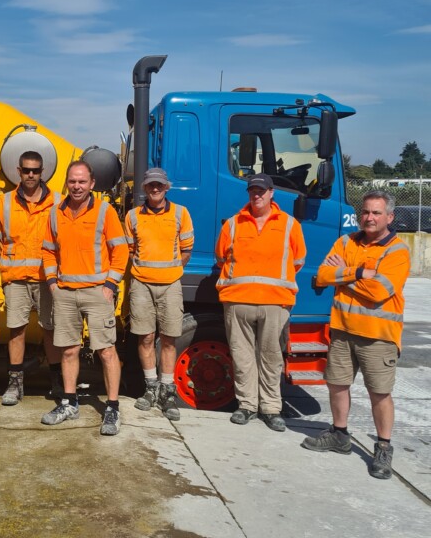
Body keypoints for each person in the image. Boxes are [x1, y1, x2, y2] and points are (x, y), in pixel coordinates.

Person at [302, 190, 410, 480]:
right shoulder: (346, 240)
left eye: (376, 213)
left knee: (379, 393)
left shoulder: (397, 251)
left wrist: (345, 274)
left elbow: (378, 293)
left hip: (378, 335)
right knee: (337, 384)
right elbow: (322, 276)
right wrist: (362, 272)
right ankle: (339, 435)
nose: (369, 218)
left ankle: (383, 447)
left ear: (390, 216)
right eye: (365, 212)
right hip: (342, 330)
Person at [40, 160, 129, 435]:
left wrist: (110, 285)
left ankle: (112, 408)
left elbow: (120, 250)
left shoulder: (105, 211)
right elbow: (47, 252)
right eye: (72, 181)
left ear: (91, 184)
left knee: (106, 351)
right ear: (66, 183)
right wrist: (53, 283)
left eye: (82, 181)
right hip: (65, 292)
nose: (76, 186)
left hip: (97, 291)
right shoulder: (55, 213)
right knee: (68, 350)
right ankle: (69, 403)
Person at [215, 173, 305, 432]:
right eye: (253, 191)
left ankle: (271, 408)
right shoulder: (233, 224)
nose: (257, 195)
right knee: (242, 356)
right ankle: (246, 406)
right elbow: (222, 258)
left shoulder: (289, 225)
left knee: (271, 357)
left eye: (261, 191)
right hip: (237, 300)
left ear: (271, 193)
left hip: (275, 303)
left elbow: (298, 261)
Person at [0, 151, 62, 405]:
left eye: (36, 170)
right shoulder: (3, 203)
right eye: (27, 170)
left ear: (42, 173)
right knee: (16, 330)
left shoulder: (58, 201)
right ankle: (15, 384)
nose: (31, 174)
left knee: (51, 330)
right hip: (17, 278)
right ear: (18, 172)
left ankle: (57, 381)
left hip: (47, 278)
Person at [125, 168, 194, 421]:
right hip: (141, 284)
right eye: (151, 185)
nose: (155, 189)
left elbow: (187, 249)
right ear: (144, 188)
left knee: (169, 338)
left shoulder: (180, 213)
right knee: (145, 337)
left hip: (171, 285)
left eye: (159, 185)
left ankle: (167, 392)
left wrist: (173, 269)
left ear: (167, 187)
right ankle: (150, 388)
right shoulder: (132, 216)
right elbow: (129, 250)